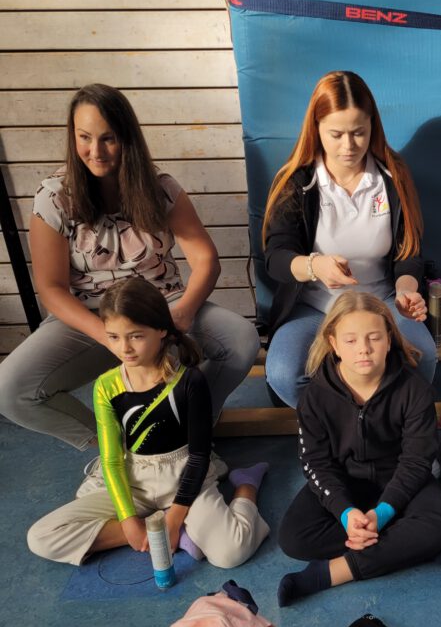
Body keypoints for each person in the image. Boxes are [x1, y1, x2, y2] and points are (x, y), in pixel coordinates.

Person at [0, 83, 260, 451]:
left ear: (127, 138)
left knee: (240, 340)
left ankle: (190, 426)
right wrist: (106, 335)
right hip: (91, 315)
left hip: (161, 305)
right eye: (85, 137)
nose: (95, 151)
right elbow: (51, 288)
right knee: (10, 390)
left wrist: (184, 311)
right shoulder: (53, 196)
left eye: (108, 138)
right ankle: (121, 447)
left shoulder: (161, 187)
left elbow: (206, 261)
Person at [27, 278, 270, 569]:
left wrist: (176, 516)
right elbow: (111, 460)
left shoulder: (189, 380)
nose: (124, 348)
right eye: (113, 337)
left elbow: (199, 455)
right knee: (41, 537)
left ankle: (246, 487)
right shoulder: (106, 386)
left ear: (162, 330)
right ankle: (167, 532)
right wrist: (129, 521)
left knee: (231, 553)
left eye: (136, 336)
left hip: (183, 475)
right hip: (134, 479)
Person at [262, 70, 436, 408]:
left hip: (381, 302)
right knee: (284, 372)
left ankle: (382, 425)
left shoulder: (393, 176)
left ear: (373, 127)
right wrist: (314, 266)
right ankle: (339, 428)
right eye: (336, 134)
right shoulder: (296, 180)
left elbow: (408, 254)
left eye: (359, 133)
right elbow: (276, 258)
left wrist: (406, 291)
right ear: (316, 129)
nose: (349, 146)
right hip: (315, 307)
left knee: (422, 357)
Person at [276, 291, 441, 605]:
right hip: (344, 480)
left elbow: (417, 461)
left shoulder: (414, 390)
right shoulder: (315, 397)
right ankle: (412, 547)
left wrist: (384, 512)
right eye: (350, 340)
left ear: (389, 340)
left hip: (399, 480)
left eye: (374, 338)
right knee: (293, 538)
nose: (363, 349)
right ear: (334, 344)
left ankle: (331, 572)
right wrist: (346, 513)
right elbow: (315, 463)